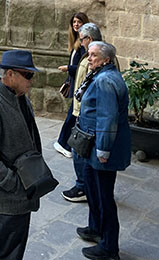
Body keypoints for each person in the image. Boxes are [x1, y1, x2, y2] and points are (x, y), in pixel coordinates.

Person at [0, 49, 42, 260]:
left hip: (24, 191)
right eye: (27, 75)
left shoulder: (20, 98)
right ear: (10, 75)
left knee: (15, 249)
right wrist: (10, 181)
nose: (31, 80)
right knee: (3, 253)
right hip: (8, 195)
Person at [76, 42, 131, 260]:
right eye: (89, 54)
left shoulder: (106, 80)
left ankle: (110, 247)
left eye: (93, 55)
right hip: (93, 145)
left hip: (101, 147)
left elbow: (108, 119)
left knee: (104, 196)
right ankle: (95, 228)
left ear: (106, 59)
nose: (89, 58)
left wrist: (103, 150)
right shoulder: (100, 74)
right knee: (91, 186)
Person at [61, 22, 102, 202]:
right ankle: (87, 186)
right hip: (81, 110)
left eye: (82, 38)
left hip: (84, 113)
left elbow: (89, 86)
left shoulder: (93, 58)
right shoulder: (96, 55)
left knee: (79, 151)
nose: (80, 42)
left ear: (89, 39)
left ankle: (82, 187)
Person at [54, 11, 89, 157]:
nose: (76, 24)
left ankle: (64, 144)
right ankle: (68, 144)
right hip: (75, 82)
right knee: (74, 115)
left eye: (79, 22)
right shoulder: (76, 41)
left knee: (72, 115)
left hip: (79, 84)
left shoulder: (83, 44)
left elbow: (84, 66)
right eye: (74, 22)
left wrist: (68, 68)